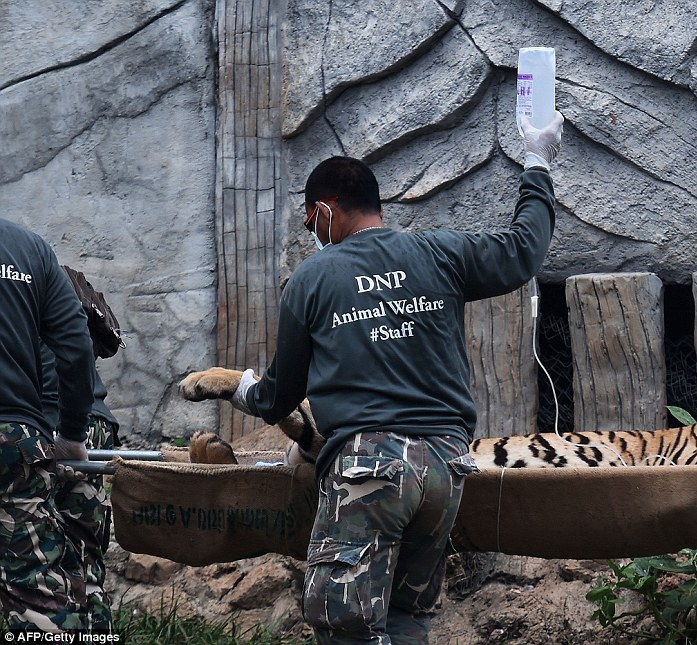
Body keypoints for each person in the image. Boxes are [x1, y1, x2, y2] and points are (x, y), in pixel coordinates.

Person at [185, 112, 564, 643]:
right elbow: (524, 250)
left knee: (344, 624)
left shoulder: (311, 280)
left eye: (309, 221)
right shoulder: (442, 253)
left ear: (324, 210)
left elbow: (277, 398)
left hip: (369, 469)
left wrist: (238, 384)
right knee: (406, 617)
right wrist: (538, 159)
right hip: (444, 468)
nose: (311, 232)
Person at [0, 218, 96, 631]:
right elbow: (75, 347)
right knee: (38, 594)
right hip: (14, 440)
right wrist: (72, 434)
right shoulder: (29, 248)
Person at [40, 267, 124, 632]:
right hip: (94, 423)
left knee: (41, 561)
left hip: (54, 428)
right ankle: (95, 630)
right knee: (85, 555)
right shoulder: (51, 280)